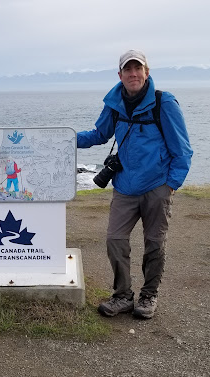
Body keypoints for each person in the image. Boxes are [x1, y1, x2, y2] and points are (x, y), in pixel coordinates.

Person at [77, 50, 193, 319]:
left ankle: (149, 296)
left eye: (137, 69)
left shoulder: (164, 103)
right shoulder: (114, 104)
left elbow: (183, 150)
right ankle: (123, 296)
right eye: (127, 70)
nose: (133, 74)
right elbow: (99, 134)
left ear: (146, 72)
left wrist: (171, 185)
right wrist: (65, 138)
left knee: (154, 243)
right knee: (115, 240)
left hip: (157, 186)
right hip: (125, 186)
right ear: (120, 75)